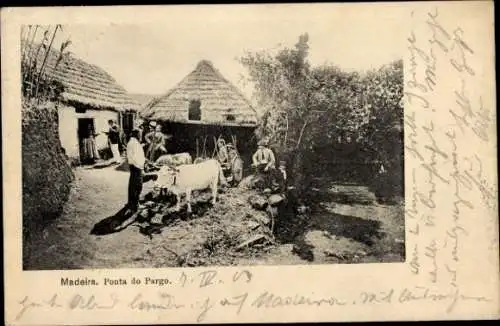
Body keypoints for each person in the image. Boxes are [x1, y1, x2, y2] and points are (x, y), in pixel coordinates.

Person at [126, 128, 145, 214]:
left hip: (135, 166)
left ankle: (133, 204)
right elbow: (135, 158)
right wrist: (141, 167)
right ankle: (134, 206)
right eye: (140, 134)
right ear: (136, 134)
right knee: (137, 186)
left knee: (134, 186)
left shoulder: (134, 142)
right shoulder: (133, 143)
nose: (141, 136)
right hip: (136, 167)